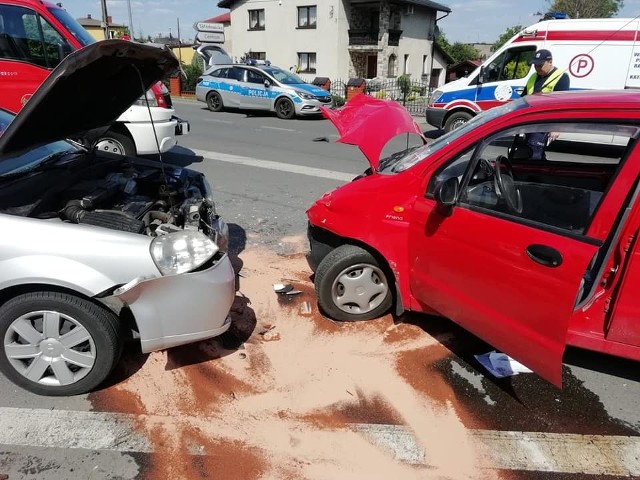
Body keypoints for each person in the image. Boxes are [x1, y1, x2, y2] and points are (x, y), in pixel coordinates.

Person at [521, 49, 570, 159]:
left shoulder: (561, 77)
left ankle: (532, 175)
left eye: (540, 65)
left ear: (550, 62)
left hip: (544, 123)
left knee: (534, 153)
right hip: (529, 123)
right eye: (535, 65)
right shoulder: (534, 76)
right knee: (528, 152)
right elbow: (524, 98)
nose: (537, 68)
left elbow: (563, 105)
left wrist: (557, 127)